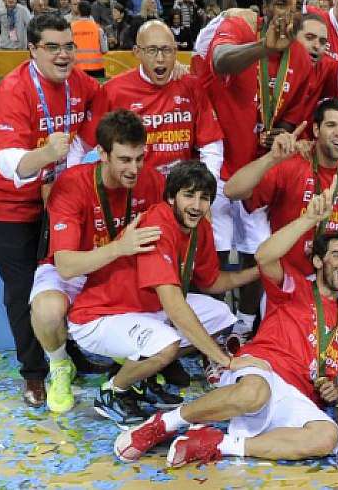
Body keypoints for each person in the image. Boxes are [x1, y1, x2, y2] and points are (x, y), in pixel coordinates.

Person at [112, 182, 338, 465]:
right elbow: (264, 255)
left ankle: (220, 444)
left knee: (328, 437)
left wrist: (335, 389)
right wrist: (309, 219)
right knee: (255, 393)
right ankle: (163, 424)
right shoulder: (295, 286)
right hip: (263, 368)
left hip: (298, 394)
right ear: (317, 261)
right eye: (337, 255)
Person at [67, 160, 258, 427]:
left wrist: (258, 271)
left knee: (220, 315)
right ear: (171, 197)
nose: (196, 205)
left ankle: (141, 378)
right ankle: (113, 391)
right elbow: (174, 306)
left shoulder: (199, 227)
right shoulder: (157, 225)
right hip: (98, 317)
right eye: (188, 195)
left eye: (204, 198)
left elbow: (212, 282)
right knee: (166, 345)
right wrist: (224, 360)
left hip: (143, 308)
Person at [0, 13, 99, 407]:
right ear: (32, 50)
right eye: (52, 47)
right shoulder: (13, 90)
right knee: (22, 285)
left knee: (63, 274)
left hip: (54, 194)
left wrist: (75, 152)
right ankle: (33, 372)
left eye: (68, 46)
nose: (63, 55)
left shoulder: (79, 82)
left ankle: (66, 349)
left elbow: (105, 103)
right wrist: (47, 154)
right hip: (5, 200)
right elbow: (9, 163)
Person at [224, 99, 338, 363]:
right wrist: (271, 158)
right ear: (315, 130)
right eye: (331, 125)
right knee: (292, 351)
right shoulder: (293, 162)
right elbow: (232, 191)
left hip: (330, 269)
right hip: (291, 275)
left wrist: (335, 247)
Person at [33, 109, 169, 413]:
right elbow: (66, 265)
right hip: (77, 267)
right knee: (47, 310)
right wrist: (119, 248)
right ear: (102, 154)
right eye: (124, 160)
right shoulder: (72, 184)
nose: (134, 169)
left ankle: (133, 362)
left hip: (120, 267)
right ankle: (60, 366)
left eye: (139, 158)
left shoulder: (154, 181)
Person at [201, 0, 315, 335]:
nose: (288, 14)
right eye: (281, 4)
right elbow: (220, 61)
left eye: (297, 7)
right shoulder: (239, 28)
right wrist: (263, 48)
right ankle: (216, 328)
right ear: (264, 8)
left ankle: (245, 325)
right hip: (219, 159)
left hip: (259, 169)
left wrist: (281, 131)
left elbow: (293, 113)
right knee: (216, 250)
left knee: (258, 249)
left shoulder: (301, 57)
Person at [91, 20, 223, 180]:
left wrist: (208, 183)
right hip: (133, 186)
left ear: (175, 51)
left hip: (181, 186)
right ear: (137, 52)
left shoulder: (192, 86)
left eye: (167, 50)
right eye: (152, 50)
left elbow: (210, 144)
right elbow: (91, 145)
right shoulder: (113, 90)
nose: (160, 58)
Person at [71, 1, 108, 78]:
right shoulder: (98, 28)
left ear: (78, 11)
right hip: (97, 68)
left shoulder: (71, 28)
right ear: (90, 12)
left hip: (77, 68)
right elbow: (104, 50)